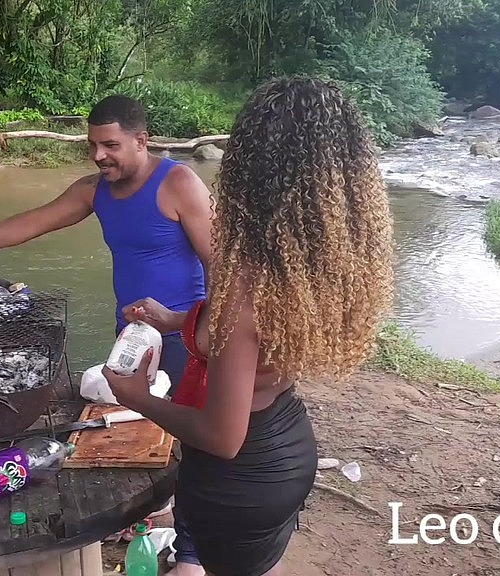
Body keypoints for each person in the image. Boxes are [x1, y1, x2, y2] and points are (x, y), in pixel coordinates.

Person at [100, 75, 395, 576]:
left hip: (239, 479)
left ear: (251, 169)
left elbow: (221, 436)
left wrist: (135, 397)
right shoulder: (313, 261)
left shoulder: (247, 281)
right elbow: (260, 346)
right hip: (287, 445)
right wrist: (180, 320)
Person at [0, 94, 212, 575]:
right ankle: (158, 508)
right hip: (133, 335)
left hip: (186, 335)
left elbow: (217, 264)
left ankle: (192, 555)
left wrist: (205, 331)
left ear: (142, 140)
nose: (99, 155)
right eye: (93, 145)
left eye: (111, 145)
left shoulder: (178, 183)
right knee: (138, 429)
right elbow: (34, 221)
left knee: (193, 438)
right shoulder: (96, 191)